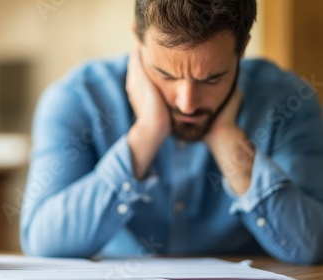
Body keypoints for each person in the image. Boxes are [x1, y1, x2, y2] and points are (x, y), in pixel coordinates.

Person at [19, 0, 323, 265]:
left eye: (212, 79)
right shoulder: (77, 99)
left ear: (241, 49)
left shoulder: (288, 102)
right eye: (165, 74)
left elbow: (312, 245)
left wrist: (227, 139)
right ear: (137, 39)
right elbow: (42, 240)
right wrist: (147, 133)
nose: (187, 103)